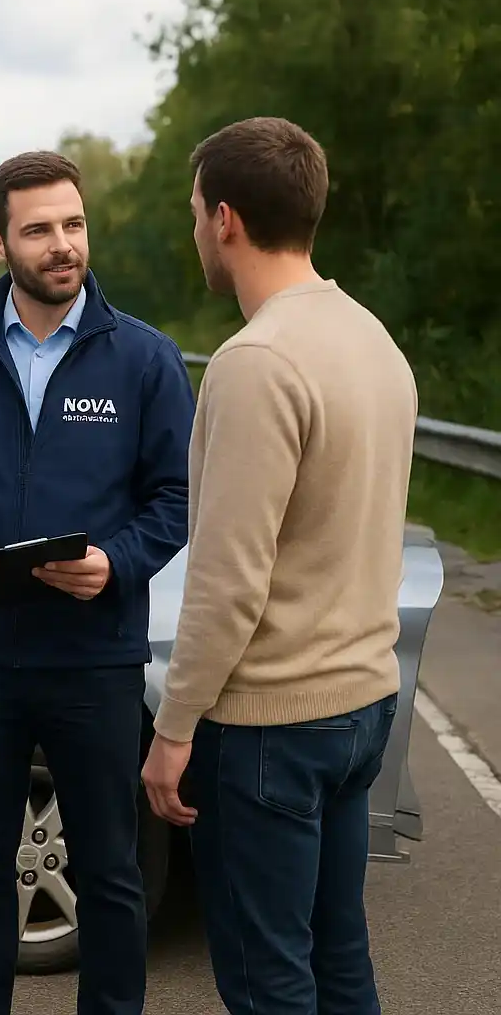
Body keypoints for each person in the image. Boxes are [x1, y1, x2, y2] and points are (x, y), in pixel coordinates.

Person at [0, 150, 195, 1015]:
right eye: (39, 230)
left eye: (73, 224)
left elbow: (176, 498)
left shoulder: (144, 360)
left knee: (111, 869)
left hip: (95, 657)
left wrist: (117, 564)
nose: (63, 245)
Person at [140, 117, 418, 1014]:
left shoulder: (255, 362)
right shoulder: (374, 339)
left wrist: (173, 729)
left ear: (226, 219)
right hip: (362, 705)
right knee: (340, 964)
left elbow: (228, 579)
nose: (195, 234)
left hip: (272, 727)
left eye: (193, 215)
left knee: (269, 983)